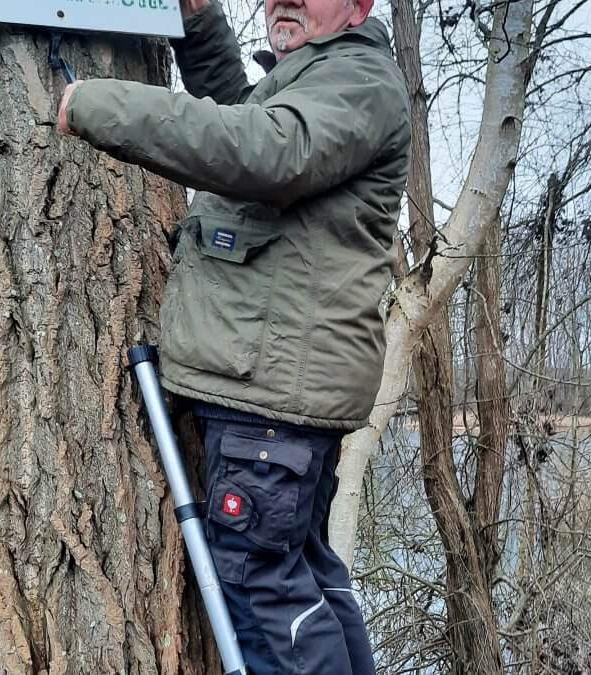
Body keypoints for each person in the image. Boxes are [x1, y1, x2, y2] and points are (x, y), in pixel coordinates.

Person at [56, 0, 411, 671]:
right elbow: (249, 117)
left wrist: (98, 104)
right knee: (306, 581)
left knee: (262, 586)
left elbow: (264, 150)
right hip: (279, 389)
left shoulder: (359, 78)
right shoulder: (322, 74)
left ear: (360, 6)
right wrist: (199, 28)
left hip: (271, 395)